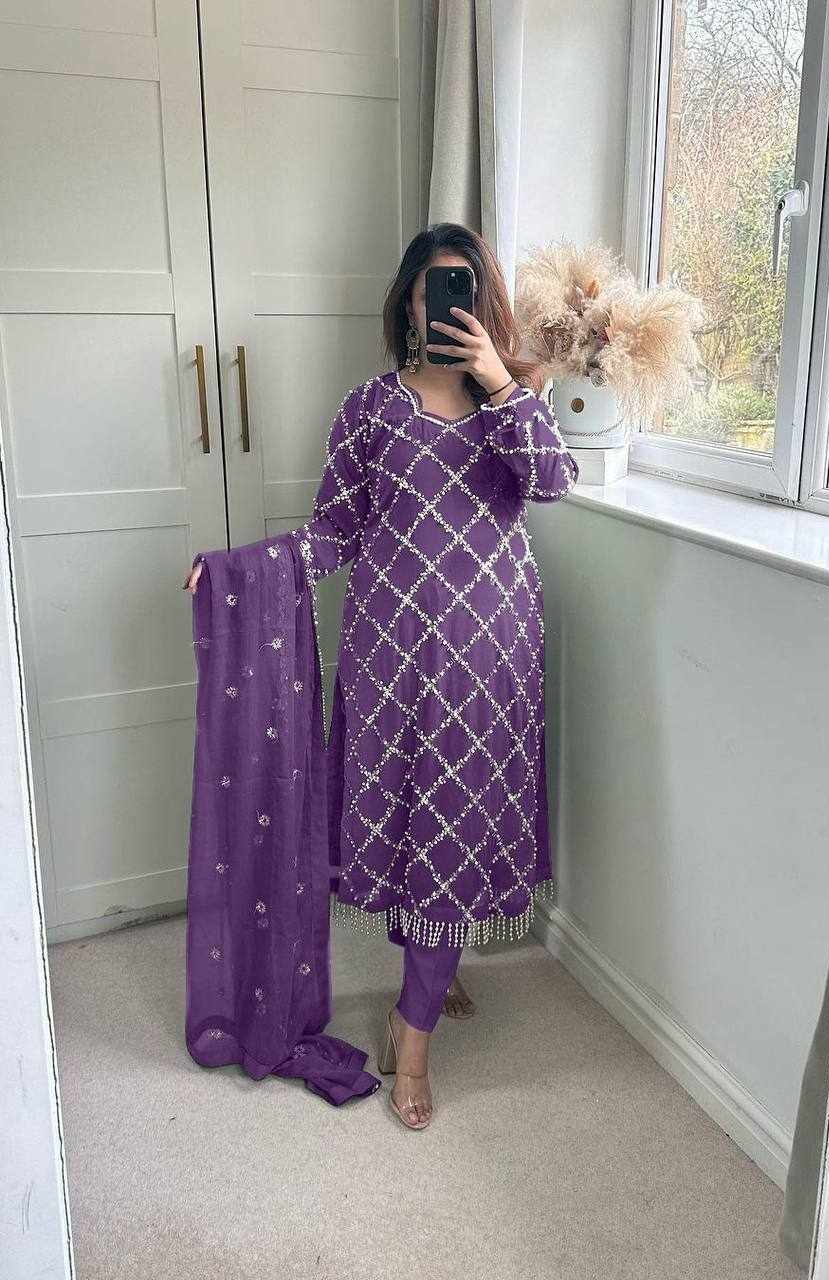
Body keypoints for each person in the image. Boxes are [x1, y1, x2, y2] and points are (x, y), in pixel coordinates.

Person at [183, 222, 579, 1129]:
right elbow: (335, 532)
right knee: (410, 822)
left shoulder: (515, 402)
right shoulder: (369, 409)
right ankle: (431, 972)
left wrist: (499, 381)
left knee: (458, 825)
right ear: (407, 304)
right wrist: (239, 572)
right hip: (390, 657)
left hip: (489, 656)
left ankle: (415, 1027)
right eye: (432, 288)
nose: (446, 304)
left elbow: (554, 482)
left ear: (486, 307)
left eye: (464, 289)